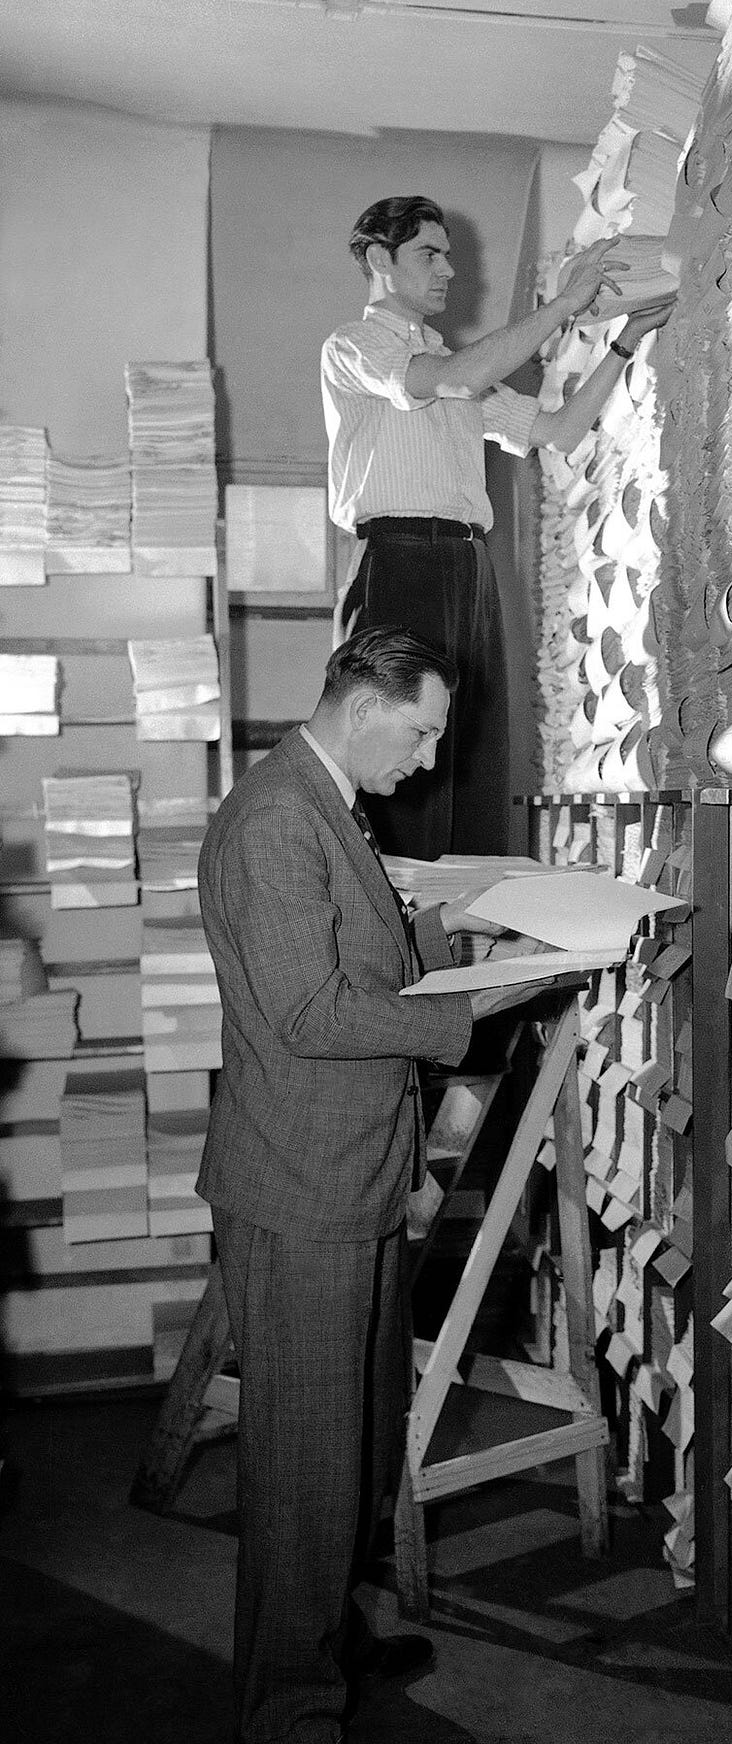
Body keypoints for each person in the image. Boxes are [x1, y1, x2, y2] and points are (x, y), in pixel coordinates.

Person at [196, 626, 507, 1744]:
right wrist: (467, 1013)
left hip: (347, 1175)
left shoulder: (320, 802)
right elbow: (309, 1012)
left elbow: (349, 950)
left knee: (356, 1443)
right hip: (302, 1184)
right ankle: (287, 1707)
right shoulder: (280, 815)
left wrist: (446, 929)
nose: (427, 759)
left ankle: (327, 1636)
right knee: (304, 1465)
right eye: (420, 730)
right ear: (363, 701)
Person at [323, 194, 670, 860]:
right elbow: (450, 380)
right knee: (400, 755)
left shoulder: (454, 366)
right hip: (399, 562)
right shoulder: (356, 346)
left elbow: (559, 432)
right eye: (429, 253)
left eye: (449, 254)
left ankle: (466, 923)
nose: (449, 270)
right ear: (378, 258)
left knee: (473, 756)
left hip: (465, 567)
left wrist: (625, 342)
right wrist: (564, 304)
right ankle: (401, 925)